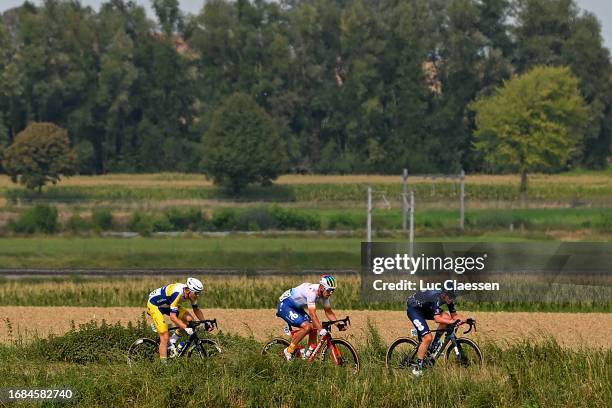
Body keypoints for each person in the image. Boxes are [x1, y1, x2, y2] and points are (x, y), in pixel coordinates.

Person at [276, 274, 343, 360]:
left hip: (296, 308)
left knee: (314, 326)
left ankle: (308, 354)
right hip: (285, 305)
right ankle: (289, 350)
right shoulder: (312, 292)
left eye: (333, 291)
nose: (331, 293)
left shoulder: (325, 294)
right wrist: (321, 330)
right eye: (329, 290)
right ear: (322, 287)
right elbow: (312, 314)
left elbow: (328, 312)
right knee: (307, 327)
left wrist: (338, 324)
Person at [147, 277, 209, 361]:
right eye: (196, 293)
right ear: (189, 290)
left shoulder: (190, 294)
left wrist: (205, 322)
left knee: (190, 320)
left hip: (168, 304)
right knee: (164, 336)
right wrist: (186, 328)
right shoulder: (177, 293)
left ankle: (172, 342)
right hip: (155, 305)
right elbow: (173, 317)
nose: (197, 295)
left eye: (199, 293)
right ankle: (163, 367)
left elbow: (196, 309)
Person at [406, 289, 465, 376]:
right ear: (444, 294)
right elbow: (437, 319)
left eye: (454, 297)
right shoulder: (436, 297)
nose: (452, 299)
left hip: (424, 307)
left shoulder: (448, 299)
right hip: (414, 309)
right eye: (451, 297)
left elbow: (454, 316)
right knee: (428, 337)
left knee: (447, 318)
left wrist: (466, 320)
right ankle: (417, 368)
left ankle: (433, 346)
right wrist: (453, 322)